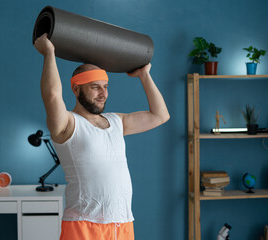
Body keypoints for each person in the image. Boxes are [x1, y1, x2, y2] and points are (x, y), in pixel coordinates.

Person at [34, 33, 170, 240]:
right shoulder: (68, 124)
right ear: (75, 88)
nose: (103, 93)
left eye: (105, 87)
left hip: (122, 223)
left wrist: (144, 75)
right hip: (84, 226)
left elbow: (160, 115)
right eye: (95, 87)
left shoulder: (116, 121)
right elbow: (52, 95)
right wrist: (49, 53)